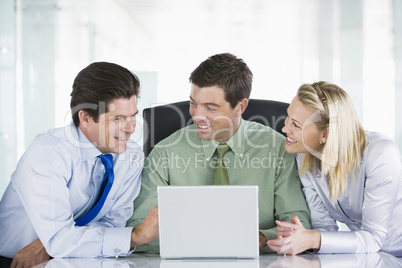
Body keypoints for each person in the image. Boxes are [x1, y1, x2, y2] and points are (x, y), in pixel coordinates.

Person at [126, 53, 311, 253]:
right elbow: (137, 228)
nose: (196, 116)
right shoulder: (165, 152)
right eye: (193, 103)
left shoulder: (278, 150)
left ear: (240, 106)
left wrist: (263, 237)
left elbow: (298, 223)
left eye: (211, 108)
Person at [0, 62, 159, 267]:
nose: (130, 128)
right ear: (85, 118)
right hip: (16, 262)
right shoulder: (49, 154)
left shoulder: (131, 156)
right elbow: (60, 240)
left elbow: (113, 224)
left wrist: (49, 243)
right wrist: (134, 237)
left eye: (132, 116)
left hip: (82, 259)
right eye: (118, 118)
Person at [267, 81, 402, 256]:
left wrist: (313, 239)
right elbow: (324, 227)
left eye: (296, 125)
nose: (285, 128)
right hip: (368, 256)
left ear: (326, 134)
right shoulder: (305, 156)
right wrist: (302, 237)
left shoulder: (380, 153)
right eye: (288, 117)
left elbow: (373, 238)